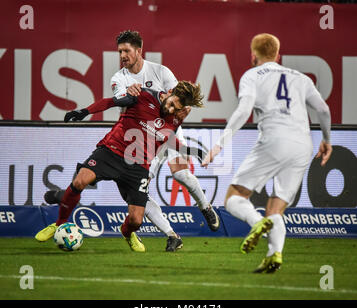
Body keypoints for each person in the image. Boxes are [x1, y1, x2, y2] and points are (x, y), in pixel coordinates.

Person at [202, 33, 332, 273]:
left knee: (234, 198)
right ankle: (274, 255)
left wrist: (219, 144)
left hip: (274, 139)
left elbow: (243, 110)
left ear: (253, 55)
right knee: (276, 208)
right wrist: (326, 139)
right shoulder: (301, 78)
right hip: (304, 145)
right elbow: (323, 109)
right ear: (277, 54)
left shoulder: (252, 76)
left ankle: (256, 222)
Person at [36, 81, 206, 253]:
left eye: (175, 109)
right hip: (112, 151)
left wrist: (189, 150)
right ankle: (59, 224)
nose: (170, 110)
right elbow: (110, 102)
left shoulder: (175, 117)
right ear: (169, 92)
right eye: (171, 104)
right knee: (80, 181)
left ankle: (127, 233)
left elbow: (168, 138)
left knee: (136, 220)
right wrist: (84, 112)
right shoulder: (142, 94)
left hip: (139, 166)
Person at [112, 30, 220, 232]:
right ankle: (171, 234)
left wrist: (174, 124)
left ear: (139, 50)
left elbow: (184, 106)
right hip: (140, 137)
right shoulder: (119, 78)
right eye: (120, 52)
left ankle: (205, 207)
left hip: (168, 130)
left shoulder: (161, 72)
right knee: (140, 187)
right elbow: (121, 107)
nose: (123, 56)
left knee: (181, 175)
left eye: (126, 51)